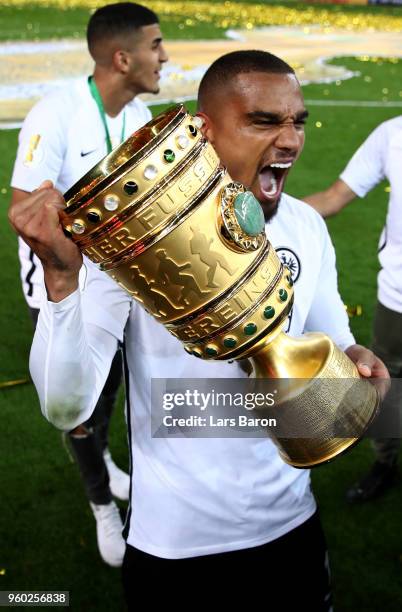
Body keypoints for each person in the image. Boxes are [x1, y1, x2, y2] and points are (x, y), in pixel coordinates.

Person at [9, 50, 387, 609]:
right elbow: (68, 409)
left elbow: (330, 341)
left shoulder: (305, 225)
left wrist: (354, 367)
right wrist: (62, 281)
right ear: (204, 132)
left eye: (297, 121)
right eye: (264, 120)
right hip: (175, 549)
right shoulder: (135, 247)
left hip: (291, 527)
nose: (290, 140)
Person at [9, 2, 168, 567]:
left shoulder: (129, 118)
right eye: (155, 45)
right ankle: (101, 501)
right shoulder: (56, 114)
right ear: (122, 58)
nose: (165, 56)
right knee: (76, 405)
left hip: (116, 282)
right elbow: (24, 210)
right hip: (60, 288)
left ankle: (106, 463)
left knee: (114, 386)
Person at [304, 117, 402, 502]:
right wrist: (258, 216)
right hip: (397, 295)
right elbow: (333, 198)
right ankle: (385, 462)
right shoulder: (392, 134)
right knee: (389, 381)